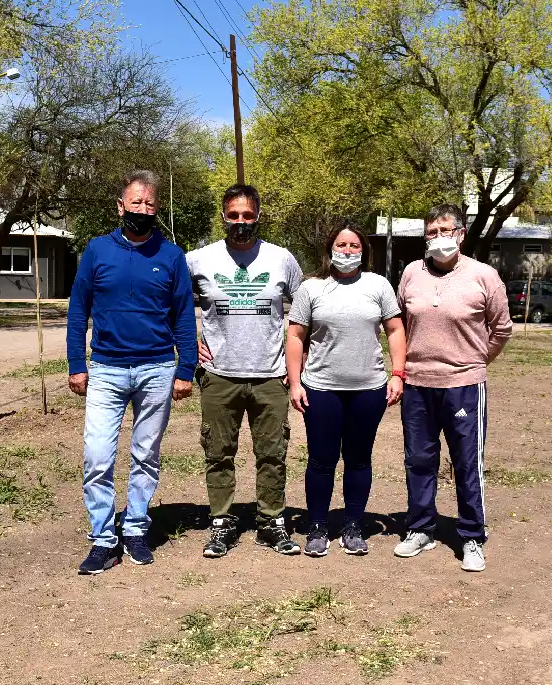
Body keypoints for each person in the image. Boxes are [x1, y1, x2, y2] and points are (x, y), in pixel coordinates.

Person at [68, 170, 198, 575]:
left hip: (157, 368)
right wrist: (76, 363)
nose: (142, 210)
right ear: (120, 206)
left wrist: (185, 368)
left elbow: (183, 316)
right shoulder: (96, 250)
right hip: (105, 368)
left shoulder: (171, 255)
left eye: (150, 204)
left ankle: (137, 528)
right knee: (97, 456)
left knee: (146, 454)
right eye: (135, 203)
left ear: (157, 208)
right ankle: (104, 539)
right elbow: (78, 310)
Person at [187, 184, 305, 557]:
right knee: (218, 454)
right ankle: (221, 523)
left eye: (248, 215)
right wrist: (188, 346)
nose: (241, 222)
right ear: (223, 216)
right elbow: (168, 304)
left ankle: (271, 523)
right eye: (234, 215)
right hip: (219, 374)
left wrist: (294, 365)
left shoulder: (281, 259)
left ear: (258, 216)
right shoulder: (199, 260)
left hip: (271, 375)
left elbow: (305, 313)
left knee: (272, 455)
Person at [394, 203, 512, 571]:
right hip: (417, 384)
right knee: (419, 460)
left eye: (446, 231)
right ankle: (420, 528)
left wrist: (476, 362)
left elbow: (502, 328)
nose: (439, 238)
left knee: (467, 463)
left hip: (464, 385)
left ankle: (472, 536)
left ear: (460, 234)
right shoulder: (412, 273)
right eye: (432, 232)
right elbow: (398, 322)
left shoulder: (484, 275)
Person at [286, 222, 407, 557]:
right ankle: (318, 527)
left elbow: (395, 330)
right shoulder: (312, 289)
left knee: (358, 460)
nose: (348, 251)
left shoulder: (378, 285)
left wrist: (398, 374)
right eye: (341, 245)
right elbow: (295, 336)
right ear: (330, 249)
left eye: (355, 246)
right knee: (321, 460)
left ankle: (354, 525)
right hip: (321, 389)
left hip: (368, 390)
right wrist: (295, 382)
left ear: (364, 251)